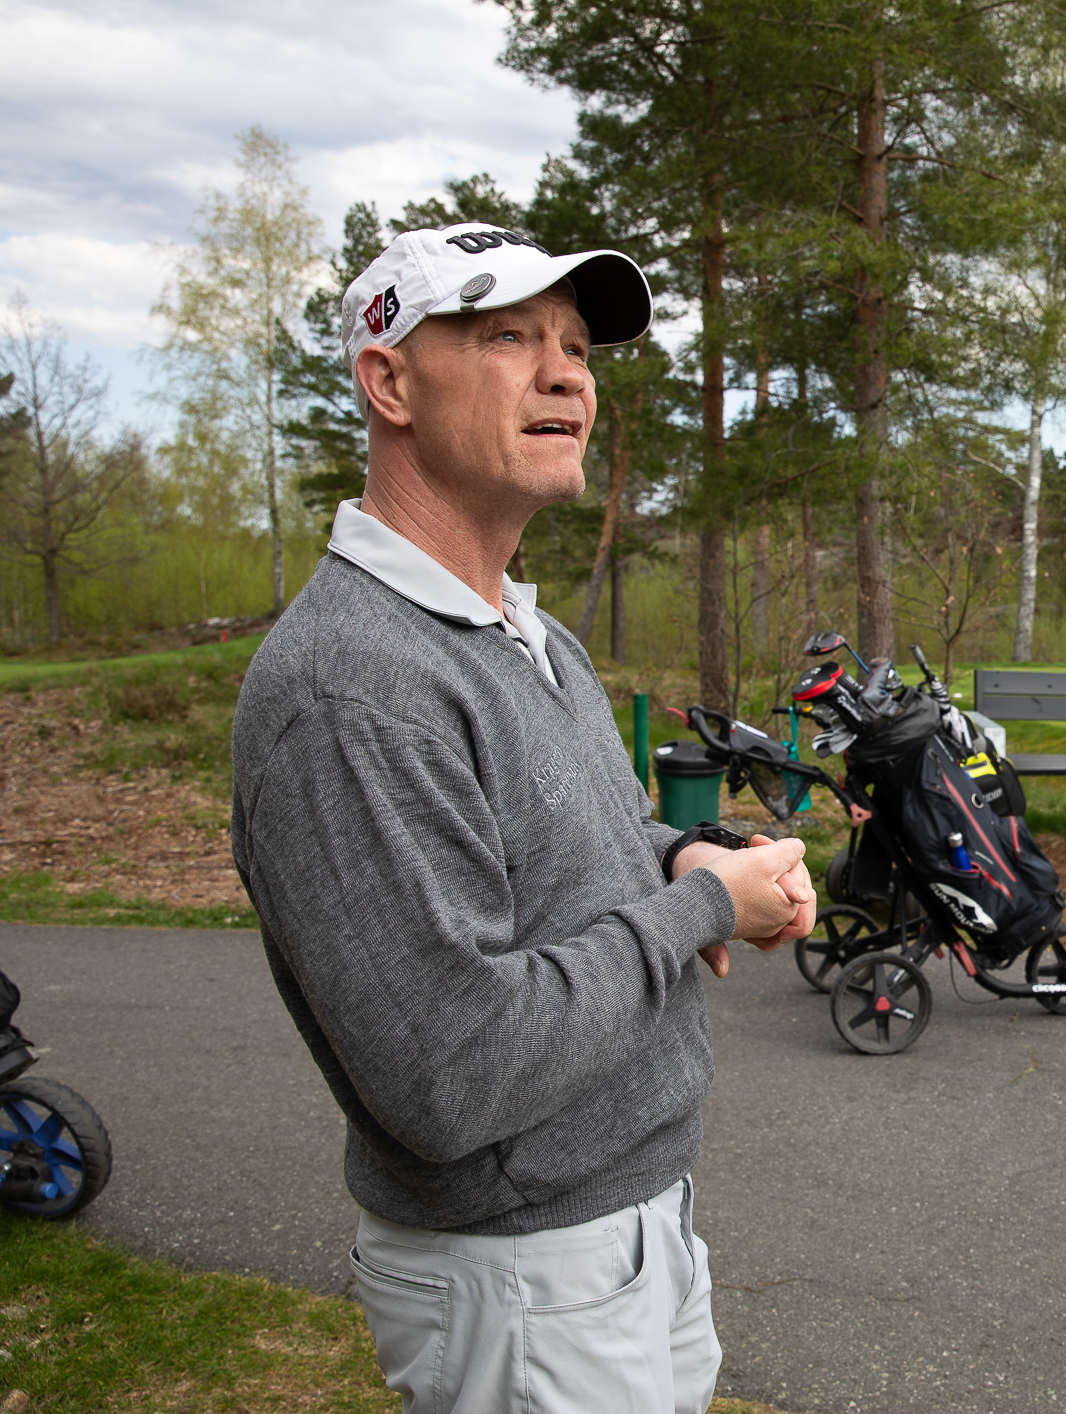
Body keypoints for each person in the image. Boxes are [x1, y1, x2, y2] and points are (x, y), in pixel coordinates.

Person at [229, 224, 817, 1413]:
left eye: (578, 345)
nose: (567, 375)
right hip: (521, 1273)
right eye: (507, 335)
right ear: (387, 379)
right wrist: (699, 907)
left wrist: (682, 852)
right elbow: (452, 1074)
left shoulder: (527, 634)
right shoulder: (351, 688)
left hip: (638, 1230)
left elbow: (552, 847)